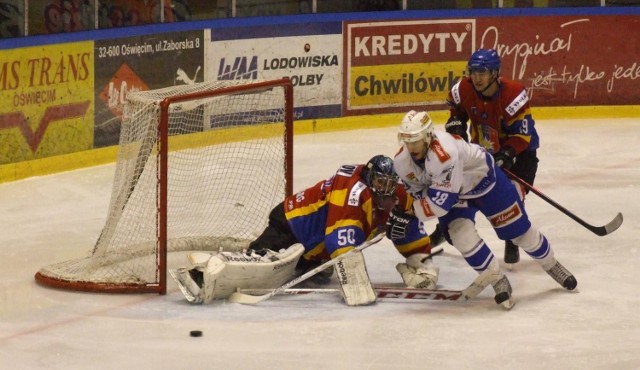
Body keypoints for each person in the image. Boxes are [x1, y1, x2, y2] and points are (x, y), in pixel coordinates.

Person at [173, 155, 439, 306]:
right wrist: (357, 287)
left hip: (315, 250)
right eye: (380, 182)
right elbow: (341, 246)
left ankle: (302, 261)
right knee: (264, 268)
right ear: (370, 182)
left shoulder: (397, 192)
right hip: (291, 228)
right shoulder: (352, 194)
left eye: (390, 183)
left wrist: (420, 261)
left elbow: (410, 220)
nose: (387, 189)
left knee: (401, 219)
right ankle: (201, 277)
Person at [388, 110, 577, 309]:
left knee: (519, 233)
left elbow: (440, 204)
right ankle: (497, 280)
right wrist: (407, 211)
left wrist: (410, 214)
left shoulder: (445, 154)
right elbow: (419, 192)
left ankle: (552, 265)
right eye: (406, 140)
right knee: (460, 234)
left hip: (485, 182)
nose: (410, 147)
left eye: (415, 140)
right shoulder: (402, 162)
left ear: (427, 137)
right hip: (457, 194)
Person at [444, 48, 540, 266]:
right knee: (462, 190)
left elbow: (522, 136)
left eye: (483, 72)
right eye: (473, 72)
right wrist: (457, 127)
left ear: (495, 73)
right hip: (482, 151)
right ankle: (448, 225)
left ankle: (513, 238)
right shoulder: (463, 89)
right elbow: (456, 113)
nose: (477, 78)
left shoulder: (513, 95)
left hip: (520, 154)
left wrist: (507, 155)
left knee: (512, 192)